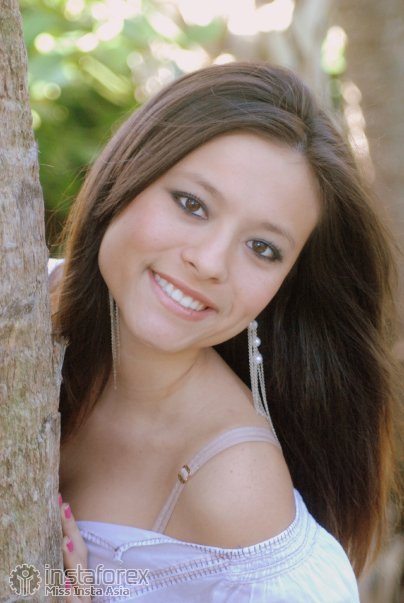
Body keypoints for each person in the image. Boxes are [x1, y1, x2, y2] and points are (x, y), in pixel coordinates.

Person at [48, 61, 398, 601]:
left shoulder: (239, 490)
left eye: (262, 248)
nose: (210, 262)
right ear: (127, 175)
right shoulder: (21, 308)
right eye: (192, 205)